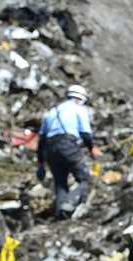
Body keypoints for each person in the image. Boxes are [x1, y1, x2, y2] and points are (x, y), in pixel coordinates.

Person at [36, 84, 101, 218]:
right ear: (81, 99)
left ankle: (61, 214)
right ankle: (70, 204)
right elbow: (85, 133)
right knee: (85, 179)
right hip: (67, 144)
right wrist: (91, 149)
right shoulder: (79, 108)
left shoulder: (52, 112)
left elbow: (41, 141)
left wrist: (41, 164)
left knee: (60, 184)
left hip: (50, 149)